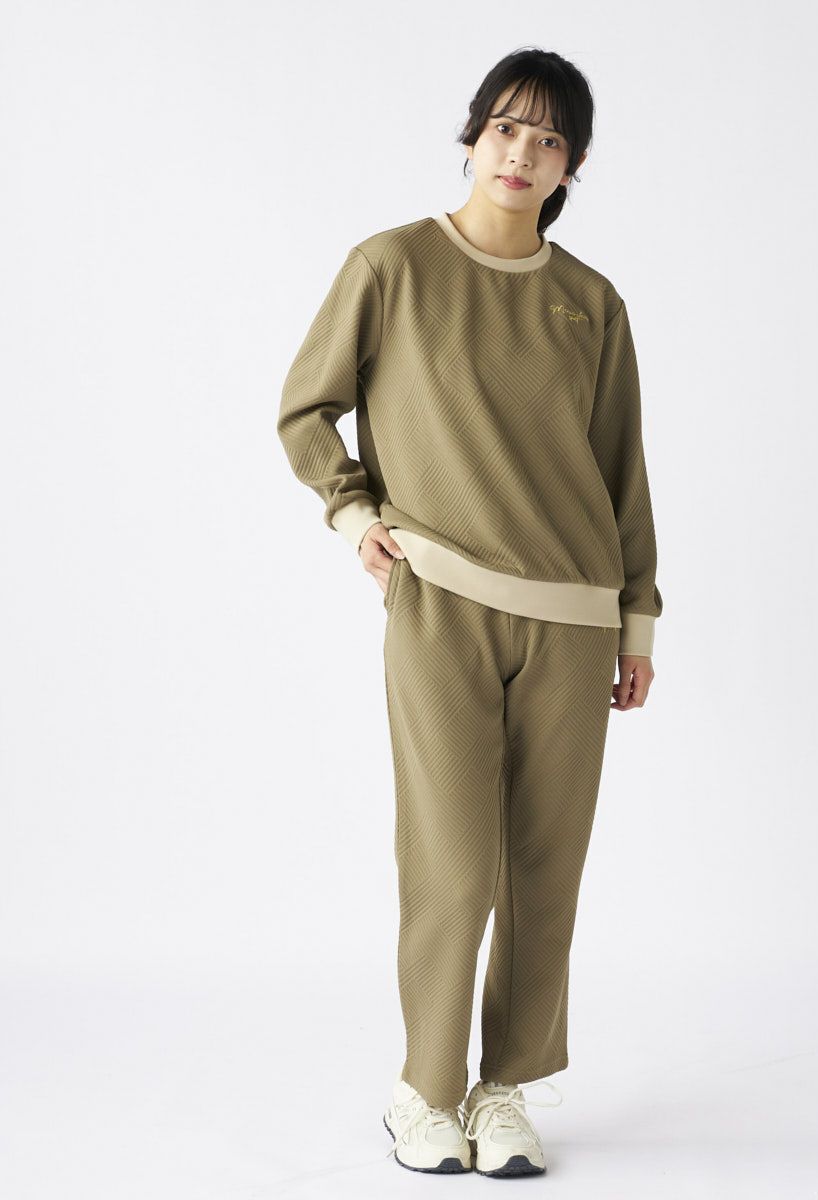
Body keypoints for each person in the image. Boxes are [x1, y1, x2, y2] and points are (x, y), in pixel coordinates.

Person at [276, 46, 663, 1177]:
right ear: (471, 138)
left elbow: (622, 473)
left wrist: (636, 621)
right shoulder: (391, 266)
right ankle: (425, 1090)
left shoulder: (592, 304)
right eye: (505, 129)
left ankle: (504, 1091)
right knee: (451, 864)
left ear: (570, 168)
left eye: (549, 141)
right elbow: (305, 410)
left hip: (575, 617)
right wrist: (354, 514)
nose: (521, 154)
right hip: (439, 599)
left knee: (544, 871)